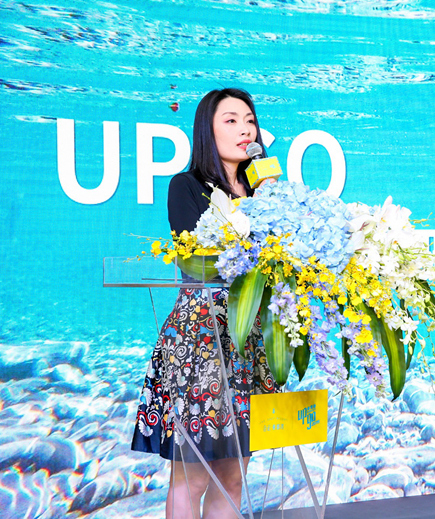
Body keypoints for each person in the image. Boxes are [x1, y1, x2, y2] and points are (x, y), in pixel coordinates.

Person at [131, 88, 277, 519]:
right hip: (202, 339)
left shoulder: (266, 188)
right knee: (193, 476)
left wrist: (272, 200)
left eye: (249, 120)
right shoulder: (187, 185)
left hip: (251, 340)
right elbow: (195, 257)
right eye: (231, 120)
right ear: (206, 130)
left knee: (234, 474)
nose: (245, 129)